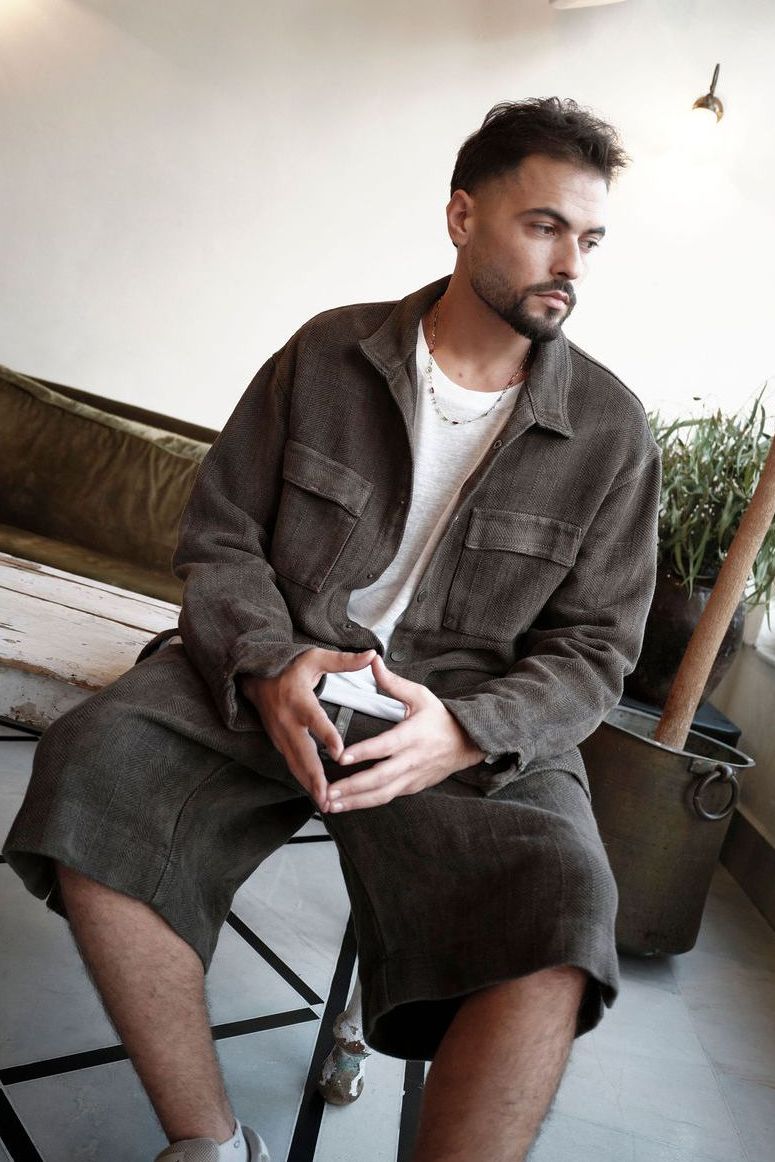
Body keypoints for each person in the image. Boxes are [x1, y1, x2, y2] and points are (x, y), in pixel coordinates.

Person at [4, 97, 661, 1162]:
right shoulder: (326, 354)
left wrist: (467, 731)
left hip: (461, 719)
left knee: (563, 912)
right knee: (91, 766)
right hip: (271, 670)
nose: (569, 264)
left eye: (589, 238)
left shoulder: (611, 432)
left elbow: (595, 653)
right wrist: (268, 664)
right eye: (544, 226)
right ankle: (209, 1144)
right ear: (461, 216)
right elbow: (220, 540)